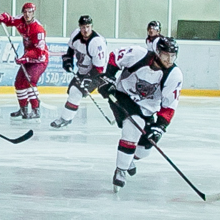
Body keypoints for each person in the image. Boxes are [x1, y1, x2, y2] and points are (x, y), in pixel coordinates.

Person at [101, 37, 182, 191]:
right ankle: (120, 170)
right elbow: (115, 57)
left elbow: (169, 106)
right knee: (134, 126)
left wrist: (160, 127)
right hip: (123, 96)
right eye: (166, 55)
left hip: (147, 109)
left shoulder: (174, 74)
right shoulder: (139, 54)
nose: (169, 59)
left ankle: (128, 157)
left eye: (173, 56)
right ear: (157, 52)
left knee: (144, 150)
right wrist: (109, 77)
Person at [50, 14, 107, 128]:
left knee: (76, 92)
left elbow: (99, 69)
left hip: (97, 74)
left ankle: (65, 118)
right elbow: (70, 50)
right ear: (79, 27)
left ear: (92, 26)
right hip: (82, 70)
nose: (85, 30)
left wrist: (87, 78)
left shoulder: (97, 43)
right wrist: (68, 61)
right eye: (83, 27)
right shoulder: (76, 34)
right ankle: (67, 118)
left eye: (88, 27)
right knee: (72, 91)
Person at [0, 1, 49, 119]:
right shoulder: (21, 20)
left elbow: (39, 51)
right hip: (28, 59)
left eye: (30, 12)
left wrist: (25, 57)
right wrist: (2, 17)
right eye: (25, 12)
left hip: (39, 60)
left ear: (33, 13)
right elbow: (10, 20)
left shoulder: (38, 30)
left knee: (30, 81)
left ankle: (35, 109)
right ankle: (23, 109)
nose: (27, 15)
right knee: (19, 82)